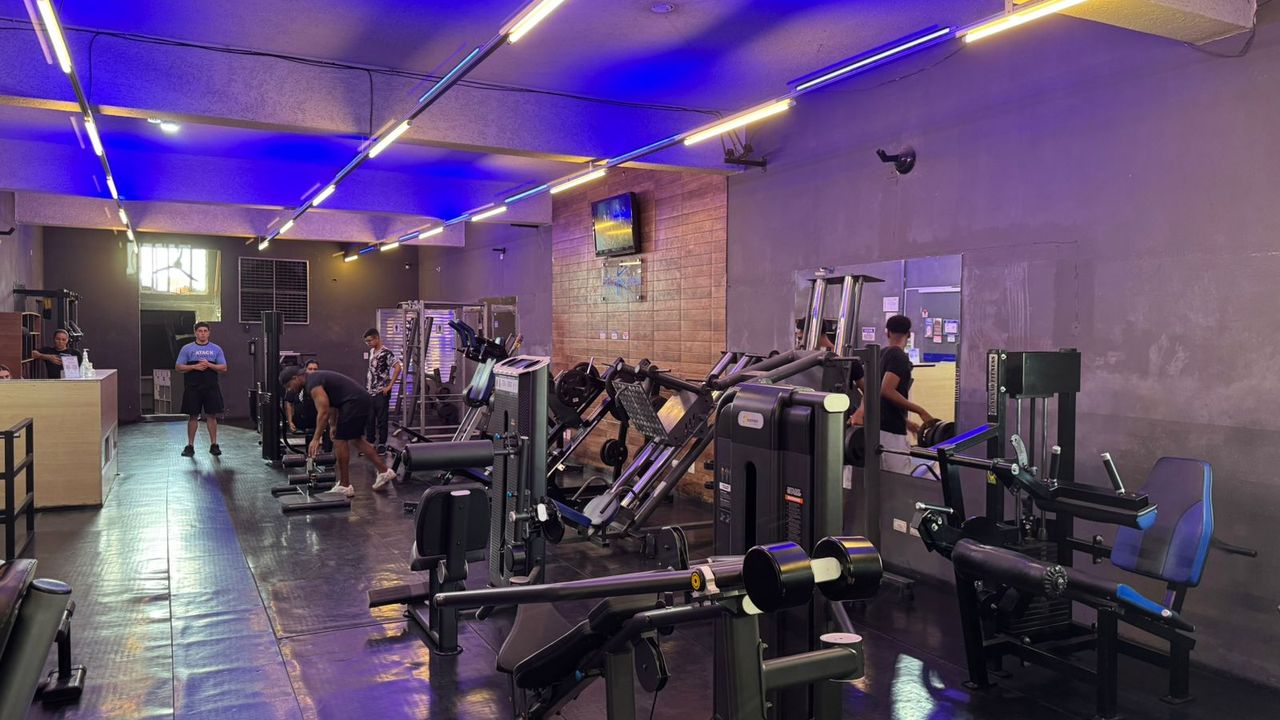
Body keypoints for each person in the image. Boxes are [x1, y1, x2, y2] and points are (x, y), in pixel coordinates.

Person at [279, 366, 396, 496]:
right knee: (356, 439)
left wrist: (316, 439)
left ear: (295, 378)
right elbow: (332, 404)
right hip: (359, 400)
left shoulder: (312, 384)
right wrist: (333, 425)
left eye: (289, 386)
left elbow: (323, 412)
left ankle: (345, 485)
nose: (289, 390)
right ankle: (384, 471)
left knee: (340, 441)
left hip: (354, 402)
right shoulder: (313, 379)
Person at [850, 314, 934, 474]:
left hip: (874, 426)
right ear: (908, 334)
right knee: (898, 478)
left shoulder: (879, 354)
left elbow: (872, 391)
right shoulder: (899, 356)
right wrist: (921, 411)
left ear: (887, 332)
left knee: (876, 476)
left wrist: (905, 422)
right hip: (890, 432)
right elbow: (886, 390)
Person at [176, 322, 228, 457]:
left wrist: (209, 365)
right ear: (195, 333)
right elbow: (179, 367)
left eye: (205, 331)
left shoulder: (216, 349)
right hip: (193, 387)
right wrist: (194, 367)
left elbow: (223, 367)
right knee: (193, 416)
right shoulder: (187, 348)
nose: (203, 333)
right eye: (200, 331)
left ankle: (214, 445)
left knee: (211, 415)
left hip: (211, 387)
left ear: (209, 333)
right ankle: (190, 446)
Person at [363, 329, 402, 454]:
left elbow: (398, 367)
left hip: (382, 392)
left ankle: (382, 444)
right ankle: (370, 443)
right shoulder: (372, 351)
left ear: (377, 338)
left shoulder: (387, 353)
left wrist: (390, 386)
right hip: (370, 391)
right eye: (366, 341)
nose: (368, 343)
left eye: (369, 341)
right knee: (369, 419)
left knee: (382, 419)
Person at [285, 359, 321, 433]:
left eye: (315, 369)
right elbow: (289, 403)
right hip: (299, 422)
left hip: (316, 422)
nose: (312, 371)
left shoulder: (321, 384)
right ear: (305, 370)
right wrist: (290, 421)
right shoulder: (297, 383)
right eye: (310, 369)